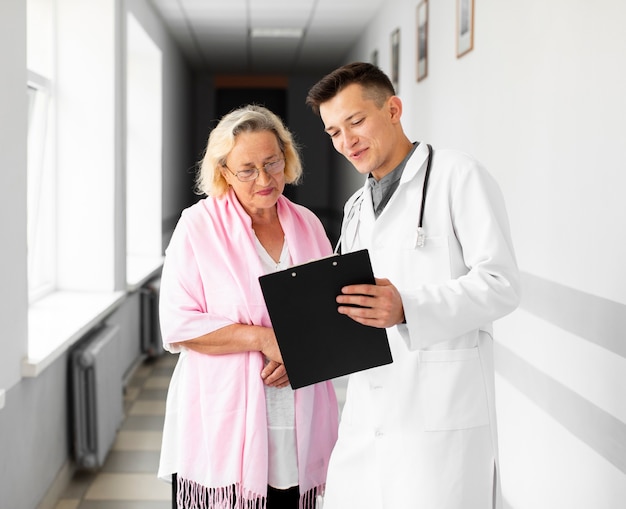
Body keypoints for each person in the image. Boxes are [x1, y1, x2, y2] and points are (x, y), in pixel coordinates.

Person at [305, 62, 521, 508]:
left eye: (356, 121)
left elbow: (501, 283)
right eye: (333, 132)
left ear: (394, 109)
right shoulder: (355, 207)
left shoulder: (458, 177)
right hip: (370, 412)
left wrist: (408, 308)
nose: (347, 141)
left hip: (442, 417)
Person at [157, 104, 339, 509]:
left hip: (295, 419)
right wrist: (266, 339)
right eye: (247, 169)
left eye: (272, 163)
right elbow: (178, 322)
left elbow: (329, 315)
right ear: (223, 172)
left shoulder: (307, 224)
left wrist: (301, 357)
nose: (264, 179)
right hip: (221, 417)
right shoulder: (197, 226)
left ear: (286, 159)